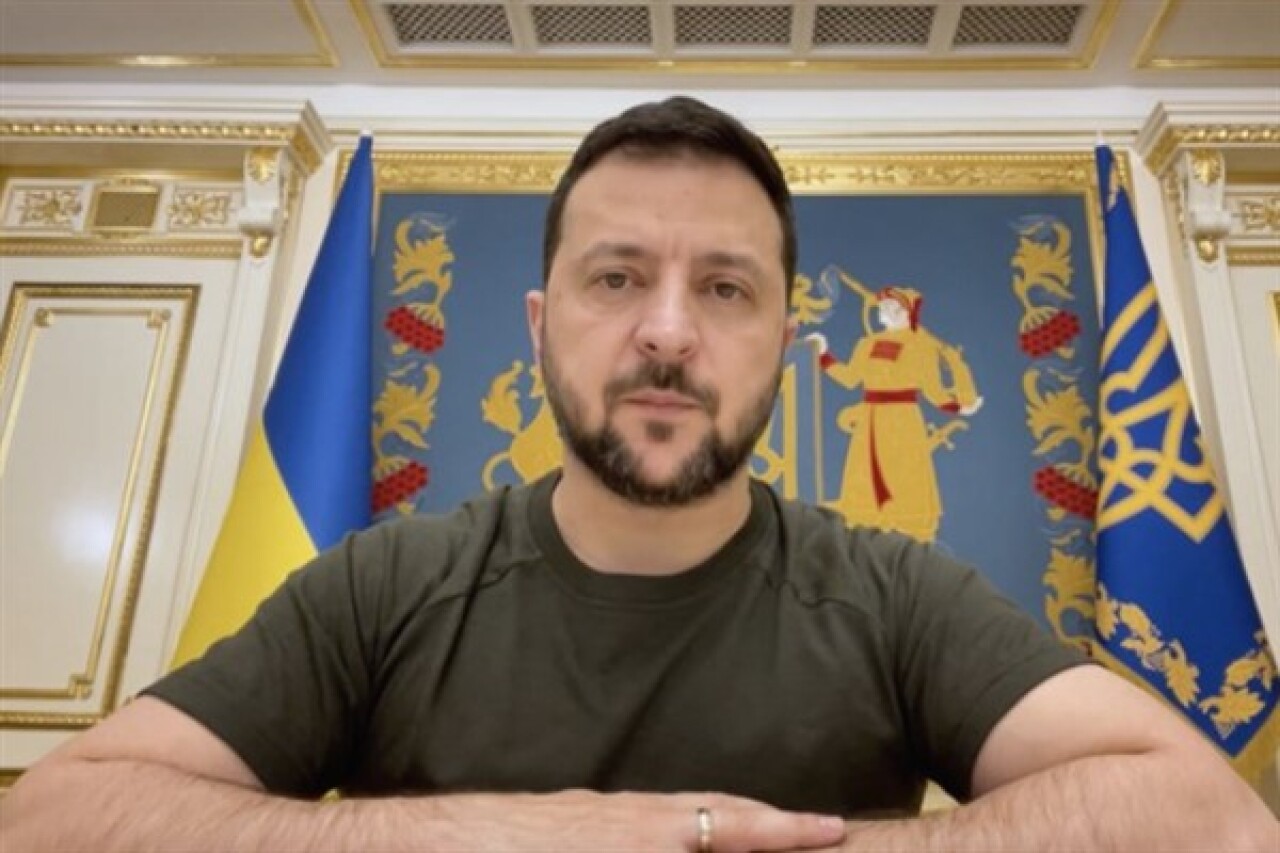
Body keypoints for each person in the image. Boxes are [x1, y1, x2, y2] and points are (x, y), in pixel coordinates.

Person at [2, 96, 1274, 852]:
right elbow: (49, 821)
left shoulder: (893, 595)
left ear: (785, 340)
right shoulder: (382, 585)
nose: (666, 331)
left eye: (723, 289)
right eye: (615, 278)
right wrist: (481, 833)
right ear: (539, 324)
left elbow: (1216, 820)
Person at [811, 275, 983, 542]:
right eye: (883, 305)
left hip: (902, 419)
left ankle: (905, 537)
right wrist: (824, 355)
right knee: (868, 479)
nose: (884, 310)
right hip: (870, 419)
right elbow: (850, 378)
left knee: (902, 477)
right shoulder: (867, 343)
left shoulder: (922, 346)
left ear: (906, 312)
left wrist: (961, 407)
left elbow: (934, 392)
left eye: (892, 306)